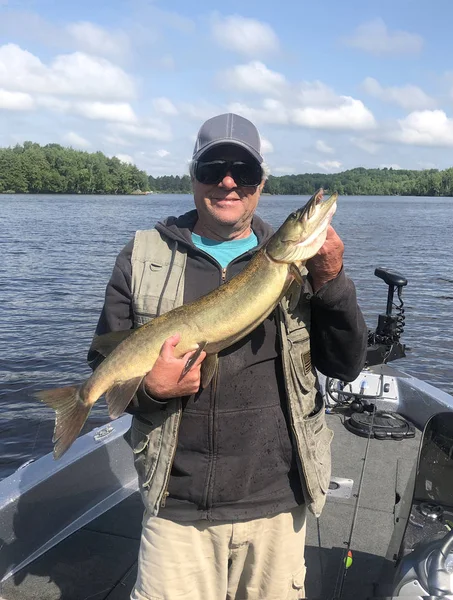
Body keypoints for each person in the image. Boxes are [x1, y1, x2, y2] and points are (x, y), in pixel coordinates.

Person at [88, 113, 368, 600]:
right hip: (177, 505)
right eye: (213, 166)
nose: (228, 181)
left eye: (244, 170)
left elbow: (344, 365)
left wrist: (333, 281)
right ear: (193, 176)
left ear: (262, 183)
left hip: (277, 501)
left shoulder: (295, 265)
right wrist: (152, 391)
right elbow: (105, 365)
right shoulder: (142, 254)